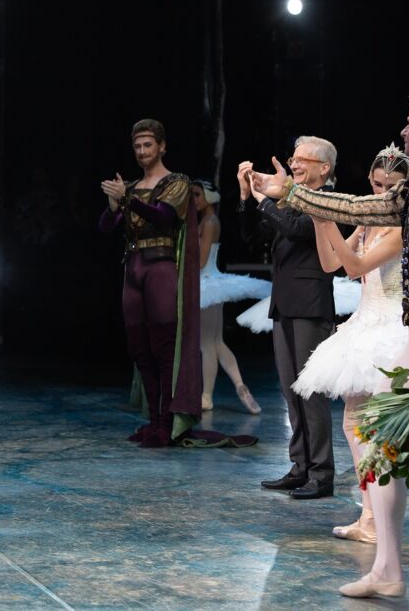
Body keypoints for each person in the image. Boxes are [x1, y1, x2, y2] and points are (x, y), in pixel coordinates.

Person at [249, 90, 409, 598]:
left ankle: (387, 563)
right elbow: (351, 209)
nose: (404, 131)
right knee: (378, 445)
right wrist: (290, 193)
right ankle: (387, 567)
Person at [100, 120, 255, 448]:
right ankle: (155, 421)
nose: (142, 152)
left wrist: (127, 197)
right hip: (133, 268)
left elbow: (163, 217)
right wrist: (115, 205)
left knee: (163, 347)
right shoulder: (130, 186)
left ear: (162, 147)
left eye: (148, 145)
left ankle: (169, 422)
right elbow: (106, 226)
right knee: (138, 347)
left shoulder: (178, 182)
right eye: (138, 146)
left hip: (160, 267)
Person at [289, 144, 409, 546]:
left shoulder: (398, 225)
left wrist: (327, 216)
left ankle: (380, 519)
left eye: (389, 187)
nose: (381, 193)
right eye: (376, 184)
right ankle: (369, 515)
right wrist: (323, 219)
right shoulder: (370, 221)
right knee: (353, 425)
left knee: (380, 434)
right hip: (364, 322)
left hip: (392, 329)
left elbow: (356, 266)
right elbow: (331, 265)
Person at [237, 136, 337, 499]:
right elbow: (254, 235)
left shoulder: (325, 200)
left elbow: (297, 230)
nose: (294, 165)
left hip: (310, 304)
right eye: (293, 159)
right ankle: (300, 466)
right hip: (284, 303)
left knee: (311, 392)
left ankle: (322, 474)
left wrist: (267, 199)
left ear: (323, 167)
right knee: (290, 390)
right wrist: (249, 199)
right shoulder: (290, 201)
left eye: (302, 160)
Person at [192, 180, 267, 414]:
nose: (192, 200)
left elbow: (202, 260)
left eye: (196, 195)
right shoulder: (207, 221)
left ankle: (206, 396)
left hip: (206, 283)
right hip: (211, 283)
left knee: (207, 344)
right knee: (216, 342)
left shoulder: (209, 222)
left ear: (209, 197)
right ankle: (239, 385)